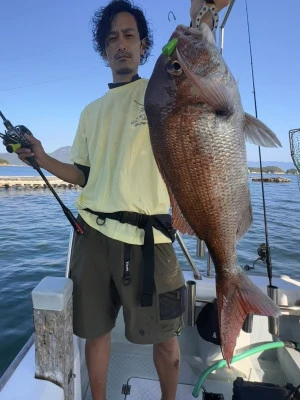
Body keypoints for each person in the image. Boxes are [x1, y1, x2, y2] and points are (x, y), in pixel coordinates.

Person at [15, 1, 230, 399]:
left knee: (166, 340)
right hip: (92, 237)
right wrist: (42, 158)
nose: (121, 44)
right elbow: (83, 173)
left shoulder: (161, 92)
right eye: (112, 38)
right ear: (104, 50)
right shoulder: (90, 112)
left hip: (151, 241)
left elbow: (185, 52)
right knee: (95, 335)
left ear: (144, 45)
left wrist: (202, 19)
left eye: (130, 35)